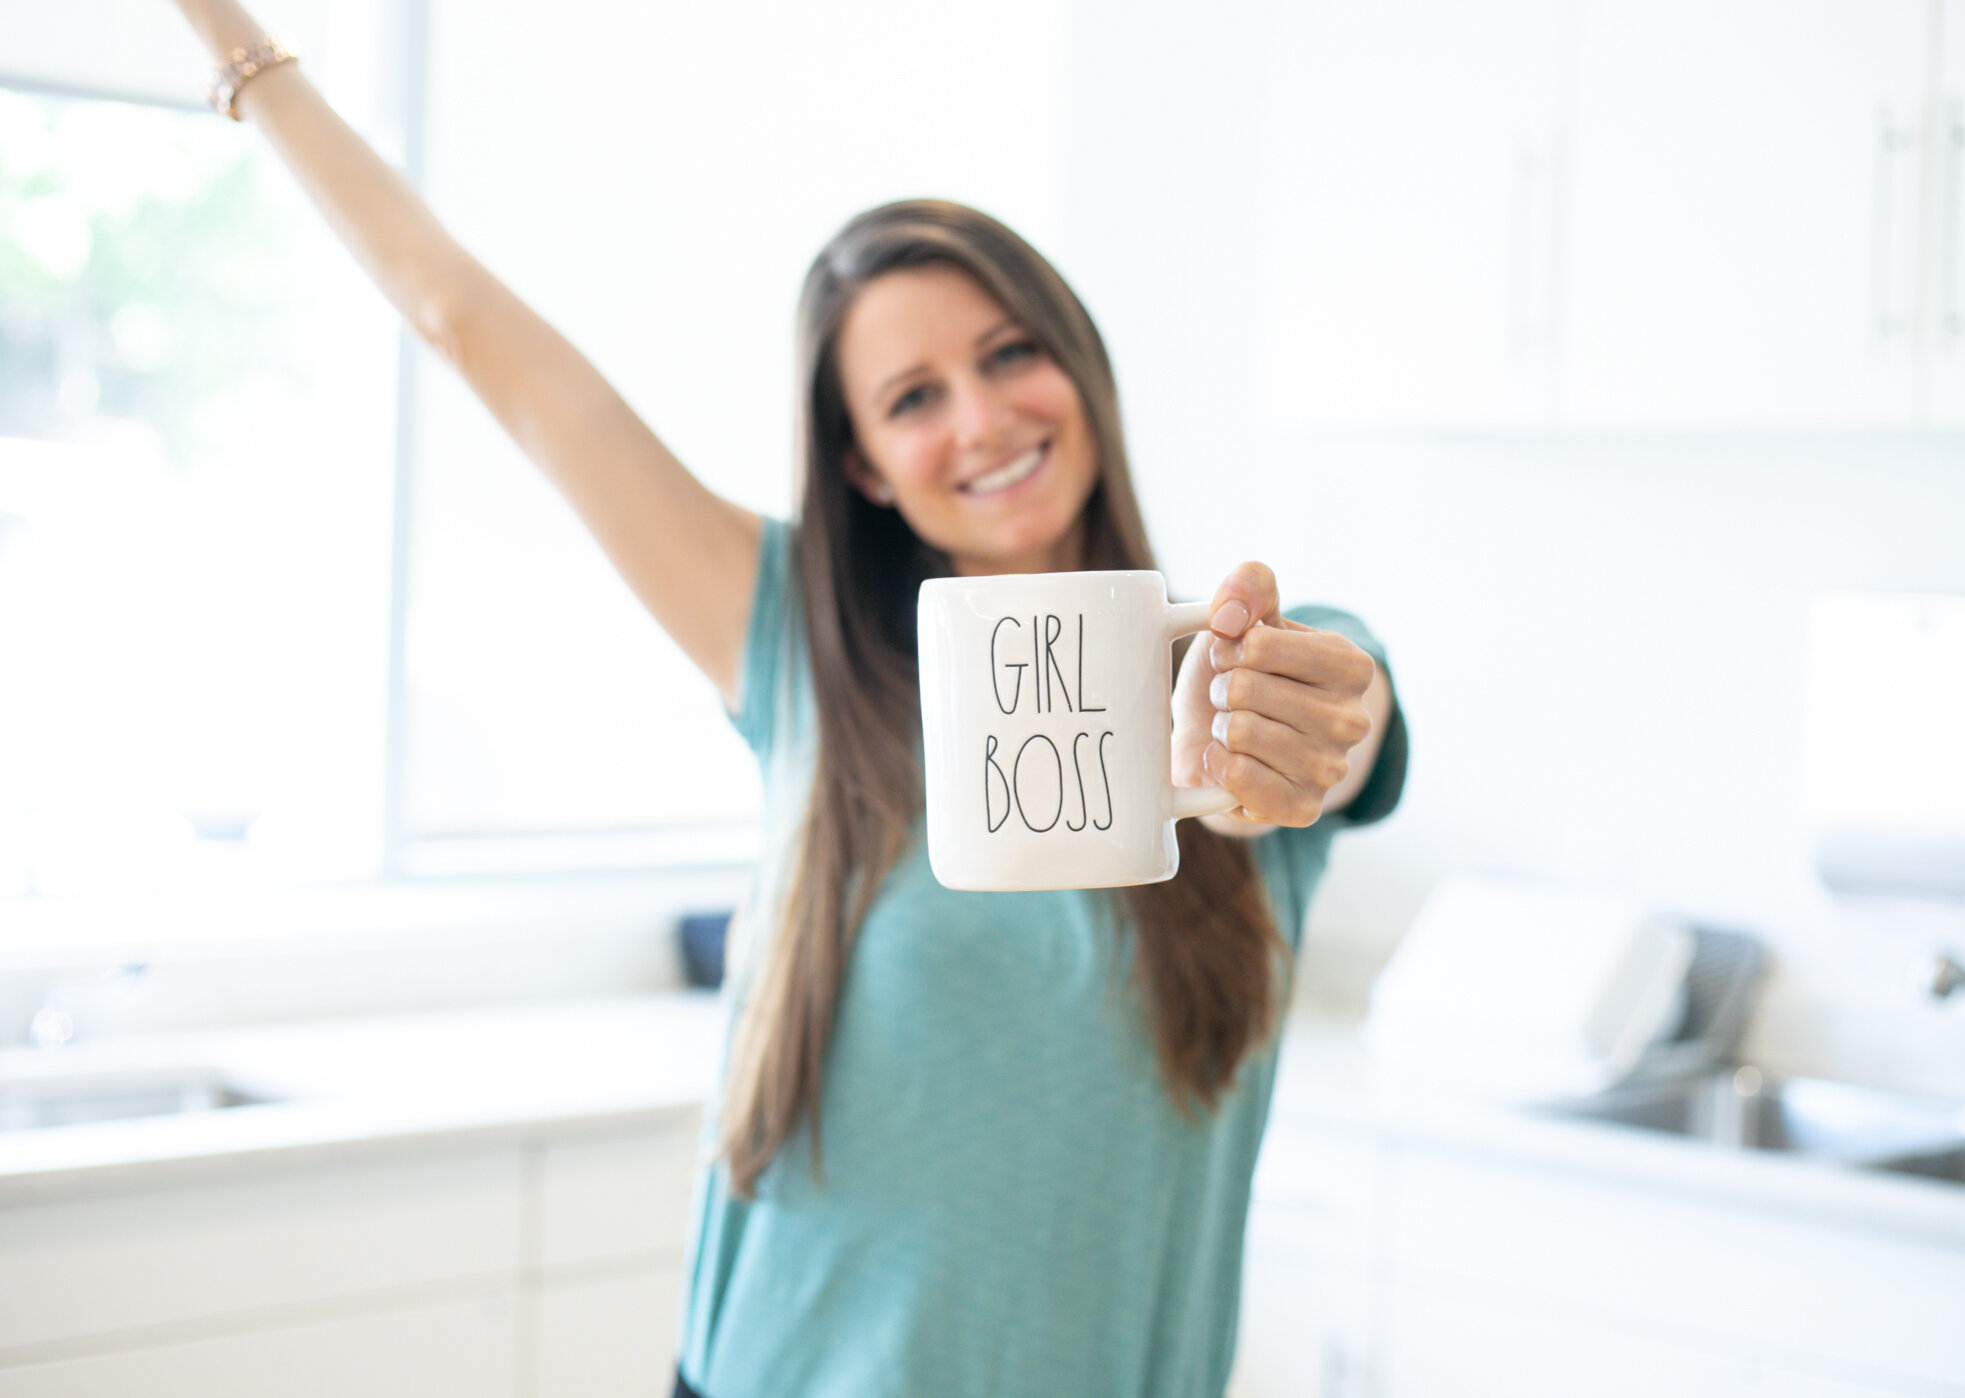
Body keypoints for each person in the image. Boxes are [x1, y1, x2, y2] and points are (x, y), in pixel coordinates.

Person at [171, 4, 1408, 1394]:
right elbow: (461, 324)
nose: (983, 420)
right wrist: (237, 46)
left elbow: (1345, 720)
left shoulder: (1250, 666)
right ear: (868, 464)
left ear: (1082, 363)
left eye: (1010, 354)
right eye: (914, 396)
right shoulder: (788, 642)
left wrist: (1299, 730)